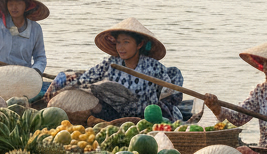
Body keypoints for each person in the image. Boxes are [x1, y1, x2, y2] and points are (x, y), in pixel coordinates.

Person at [51, 17, 184, 121]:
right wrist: (64, 80)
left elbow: (172, 90)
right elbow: (86, 78)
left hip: (145, 117)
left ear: (139, 44)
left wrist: (167, 92)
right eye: (118, 42)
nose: (120, 48)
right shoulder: (111, 62)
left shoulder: (153, 66)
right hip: (115, 116)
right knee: (94, 103)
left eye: (126, 42)